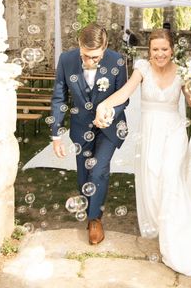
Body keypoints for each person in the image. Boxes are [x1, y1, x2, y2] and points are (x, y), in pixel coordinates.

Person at [93, 29, 191, 276]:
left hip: (174, 132)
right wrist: (105, 103)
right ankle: (168, 226)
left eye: (164, 49)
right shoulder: (142, 69)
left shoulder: (182, 71)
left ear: (172, 50)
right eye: (155, 49)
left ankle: (178, 242)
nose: (160, 54)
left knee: (170, 178)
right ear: (149, 51)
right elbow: (125, 92)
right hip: (149, 134)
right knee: (153, 180)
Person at [50, 23, 129, 245]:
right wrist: (56, 135)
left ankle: (95, 219)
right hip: (80, 127)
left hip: (110, 127)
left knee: (99, 169)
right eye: (86, 55)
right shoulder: (66, 60)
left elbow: (124, 96)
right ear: (79, 45)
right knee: (84, 173)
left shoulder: (117, 61)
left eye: (95, 57)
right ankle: (89, 206)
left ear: (104, 47)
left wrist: (109, 113)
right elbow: (59, 98)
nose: (90, 61)